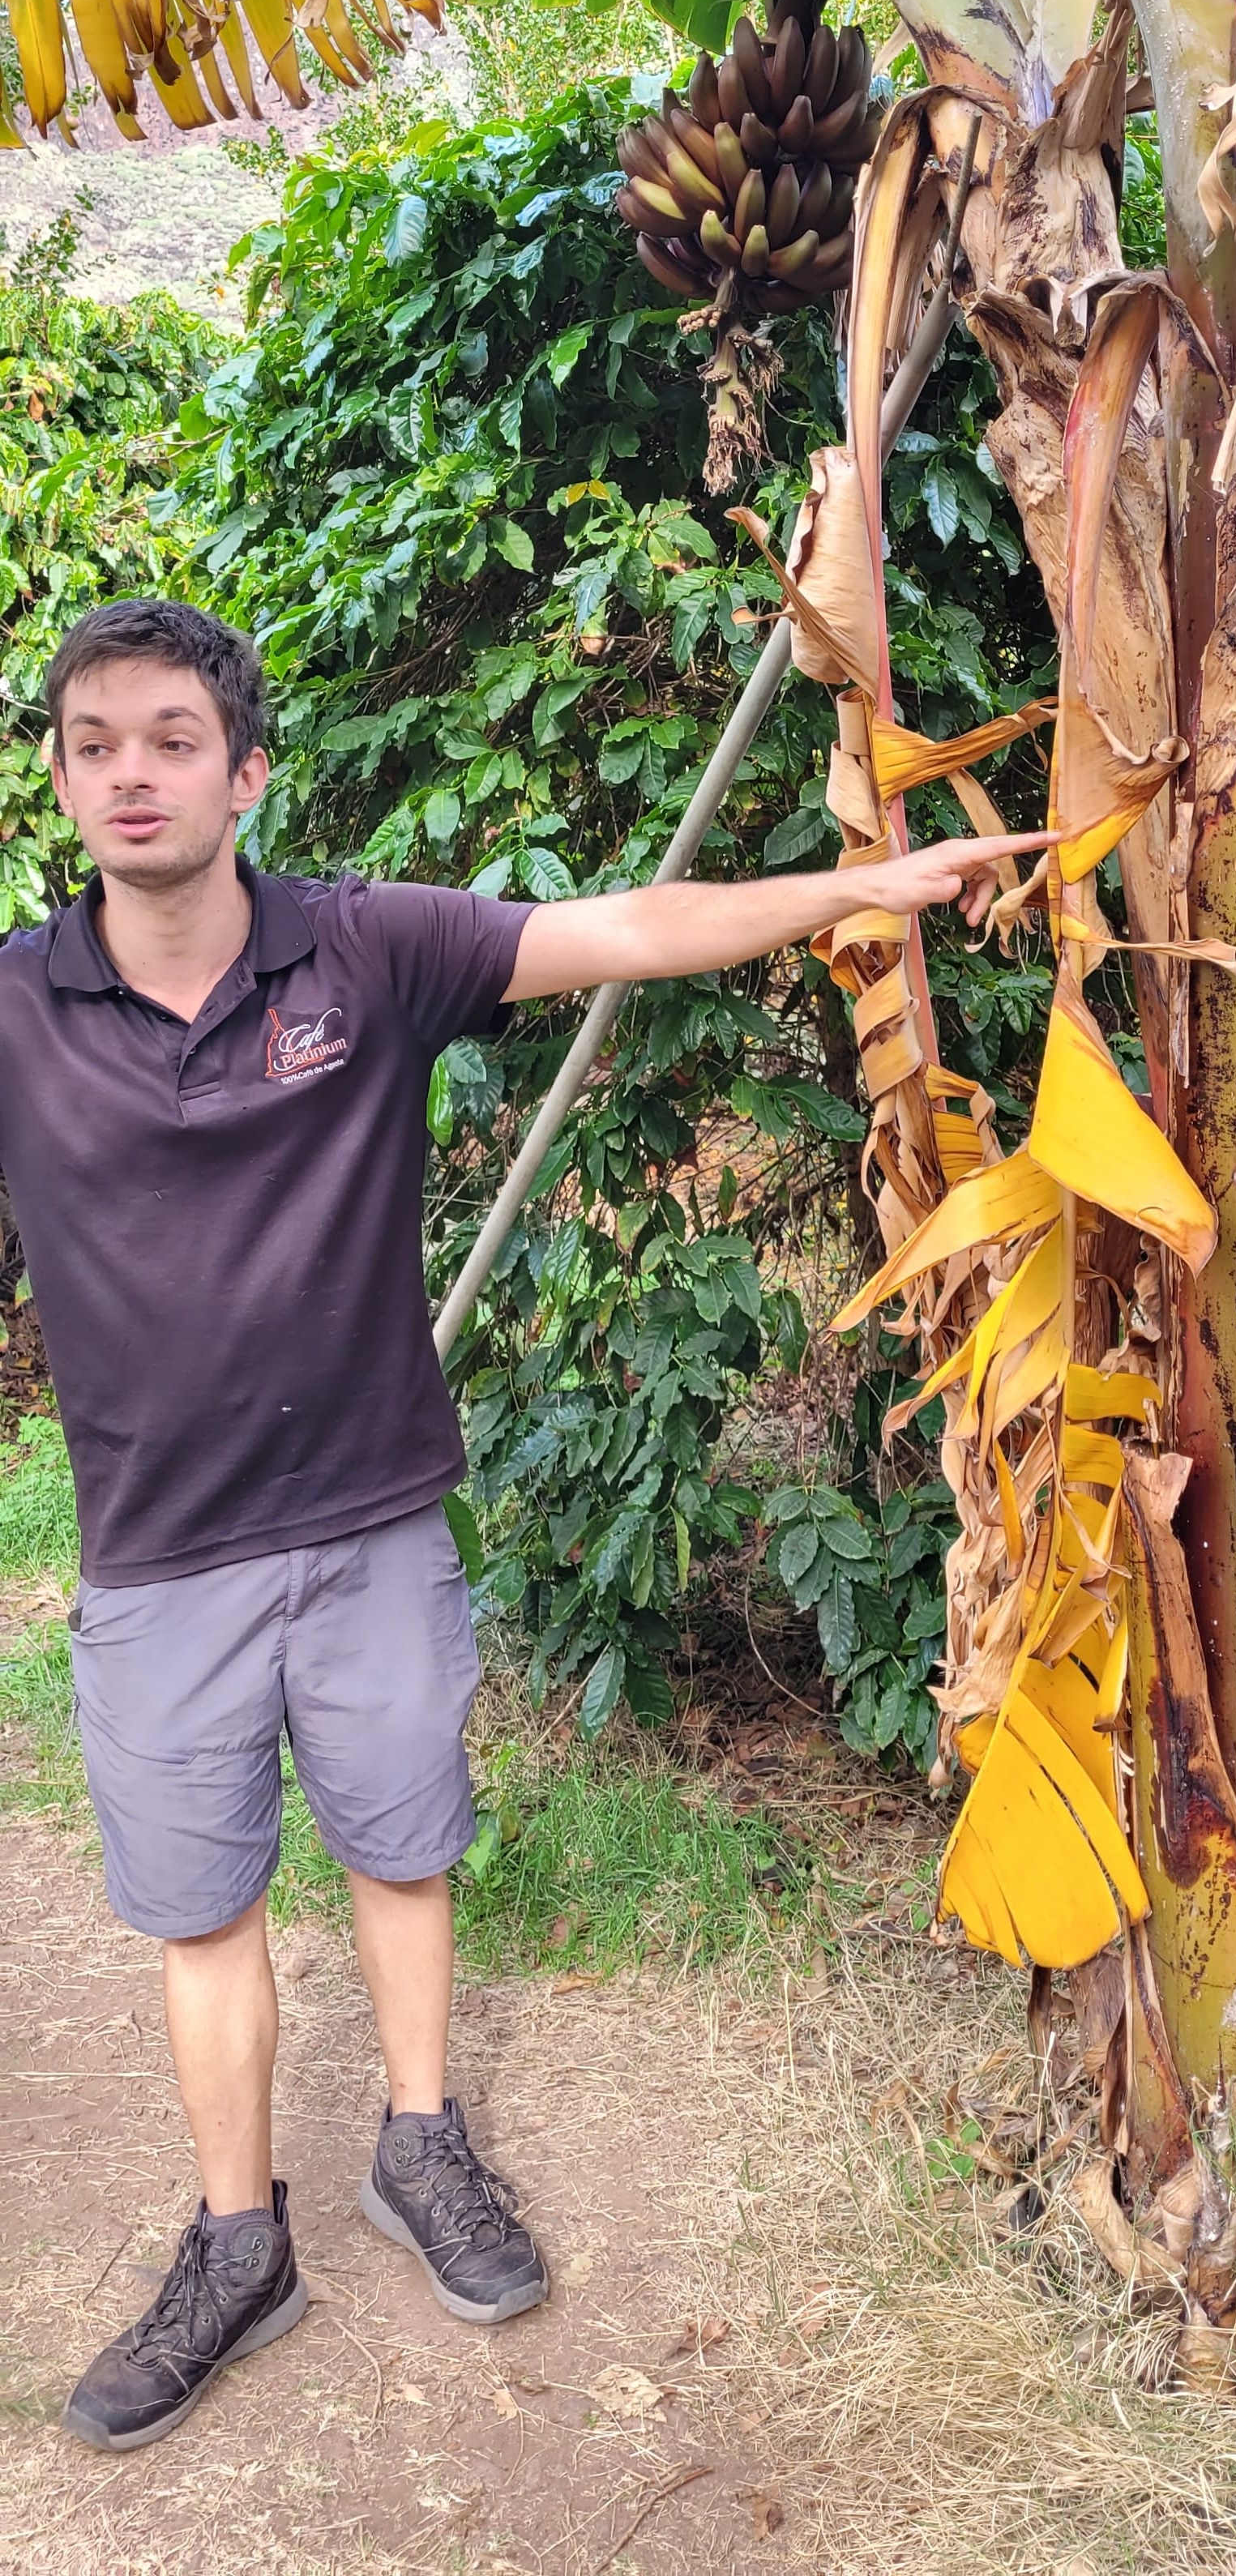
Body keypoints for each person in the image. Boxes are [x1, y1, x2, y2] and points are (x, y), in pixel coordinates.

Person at [13, 596, 1045, 2454]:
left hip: (370, 1525)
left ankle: (421, 2143)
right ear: (65, 783)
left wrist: (866, 889)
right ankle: (238, 2241)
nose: (130, 774)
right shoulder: (21, 1009)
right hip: (161, 1559)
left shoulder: (364, 950)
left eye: (170, 740)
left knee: (401, 1848)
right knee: (202, 1909)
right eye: (95, 746)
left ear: (246, 777)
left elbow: (631, 927)